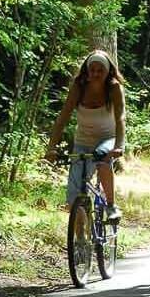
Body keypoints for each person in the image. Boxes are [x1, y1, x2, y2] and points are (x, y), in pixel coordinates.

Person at [45, 50, 126, 221]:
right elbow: (62, 118)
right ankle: (80, 241)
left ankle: (111, 205)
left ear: (108, 71)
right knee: (74, 197)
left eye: (100, 70)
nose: (96, 74)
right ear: (87, 71)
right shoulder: (78, 87)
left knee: (103, 159)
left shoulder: (114, 88)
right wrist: (51, 148)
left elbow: (120, 119)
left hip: (107, 139)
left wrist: (119, 146)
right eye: (93, 70)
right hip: (82, 141)